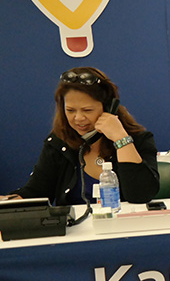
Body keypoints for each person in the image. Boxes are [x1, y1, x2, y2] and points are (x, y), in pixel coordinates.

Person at [2, 67, 158, 205]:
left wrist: (121, 139)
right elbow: (36, 192)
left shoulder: (138, 139)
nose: (78, 118)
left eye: (87, 110)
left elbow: (140, 196)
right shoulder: (58, 143)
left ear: (109, 107)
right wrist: (9, 202)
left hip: (124, 230)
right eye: (70, 110)